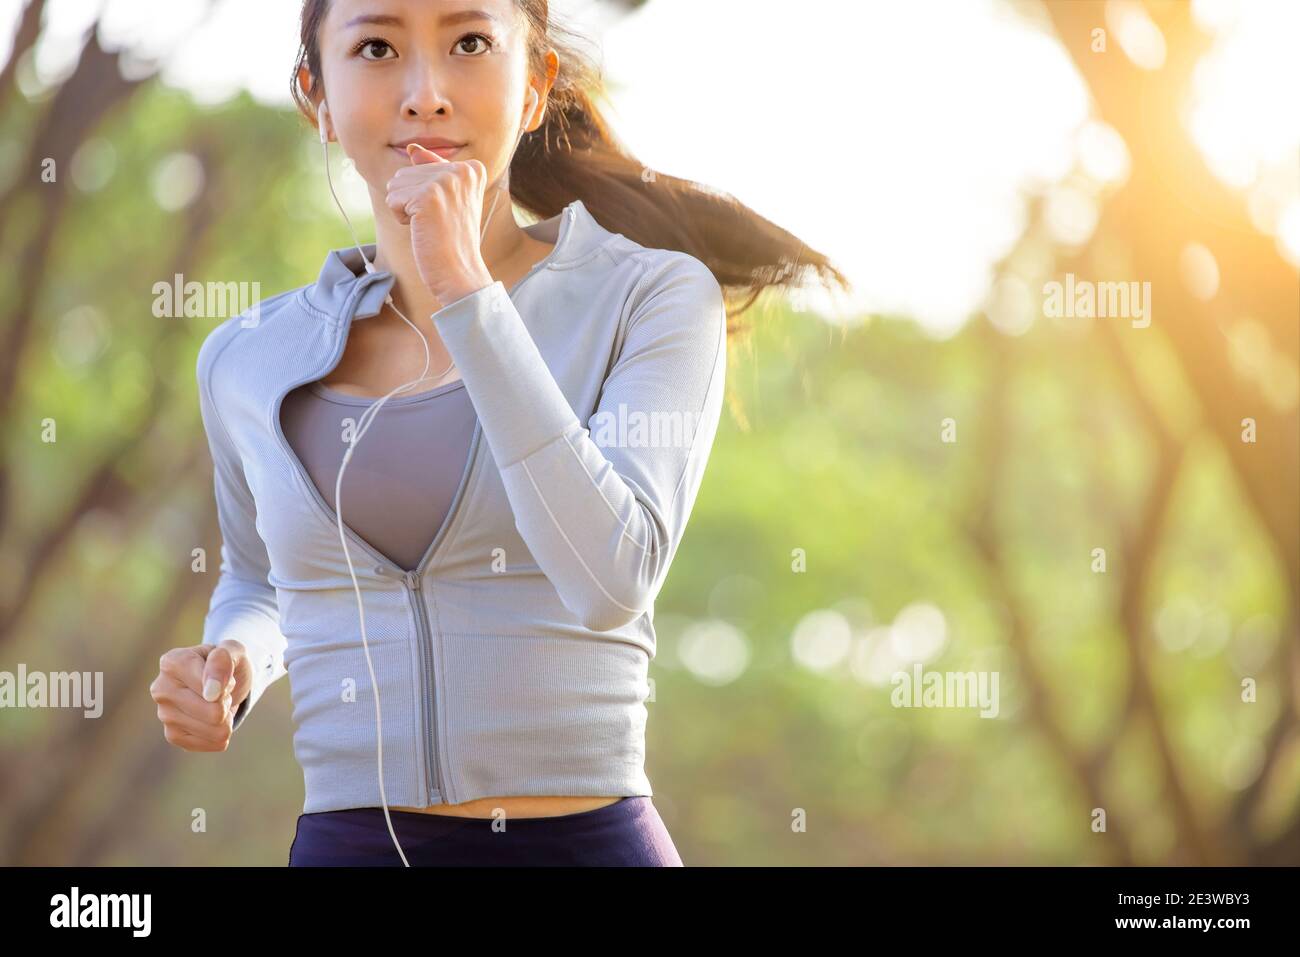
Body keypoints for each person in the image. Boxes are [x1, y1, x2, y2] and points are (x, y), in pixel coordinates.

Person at [150, 0, 847, 866]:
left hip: (586, 842)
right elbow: (260, 579)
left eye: (470, 42)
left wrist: (467, 294)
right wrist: (233, 663)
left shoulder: (652, 297)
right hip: (349, 842)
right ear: (316, 97)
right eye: (375, 47)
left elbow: (612, 575)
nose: (426, 93)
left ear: (534, 86)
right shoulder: (247, 357)